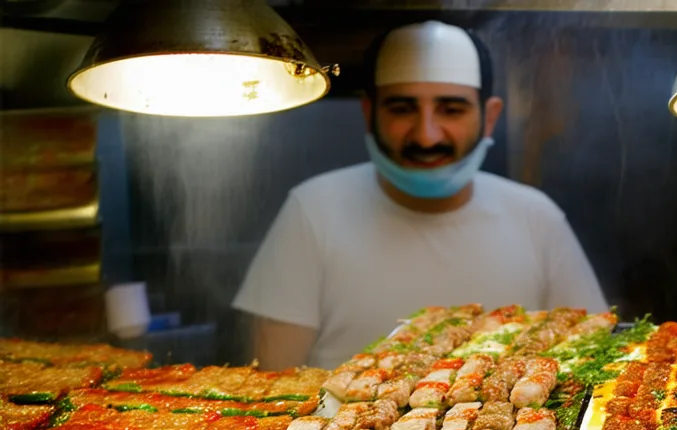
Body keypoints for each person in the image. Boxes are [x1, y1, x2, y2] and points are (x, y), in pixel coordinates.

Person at [233, 21, 607, 371]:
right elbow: (273, 387)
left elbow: (598, 364)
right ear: (369, 114)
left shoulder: (536, 217)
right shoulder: (313, 209)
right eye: (402, 108)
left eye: (451, 109)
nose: (427, 135)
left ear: (489, 117)